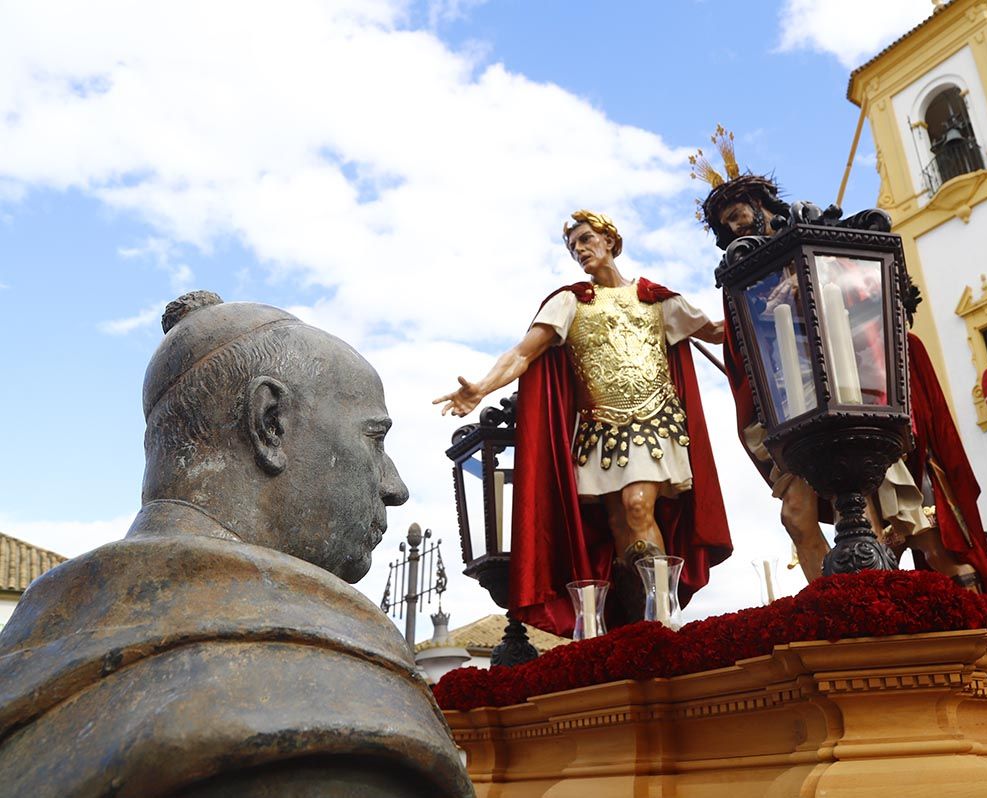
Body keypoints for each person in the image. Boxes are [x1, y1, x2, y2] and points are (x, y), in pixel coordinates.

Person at [0, 291, 472, 797]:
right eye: (374, 439)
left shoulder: (30, 653)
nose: (394, 487)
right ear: (270, 423)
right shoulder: (329, 722)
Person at [694, 129, 987, 591]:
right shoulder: (744, 280)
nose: (734, 228)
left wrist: (812, 283)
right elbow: (739, 345)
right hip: (789, 402)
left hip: (850, 385)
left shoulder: (819, 240)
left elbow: (876, 292)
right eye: (726, 226)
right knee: (796, 515)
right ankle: (834, 602)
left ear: (762, 205)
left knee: (888, 509)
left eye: (737, 215)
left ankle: (879, 597)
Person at [435, 211, 733, 634]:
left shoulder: (657, 300)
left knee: (638, 506)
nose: (580, 250)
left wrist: (759, 295)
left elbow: (718, 332)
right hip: (598, 434)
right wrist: (481, 387)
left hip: (653, 424)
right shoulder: (571, 301)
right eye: (574, 246)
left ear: (610, 240)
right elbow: (524, 353)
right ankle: (633, 619)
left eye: (587, 239)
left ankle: (663, 619)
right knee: (618, 530)